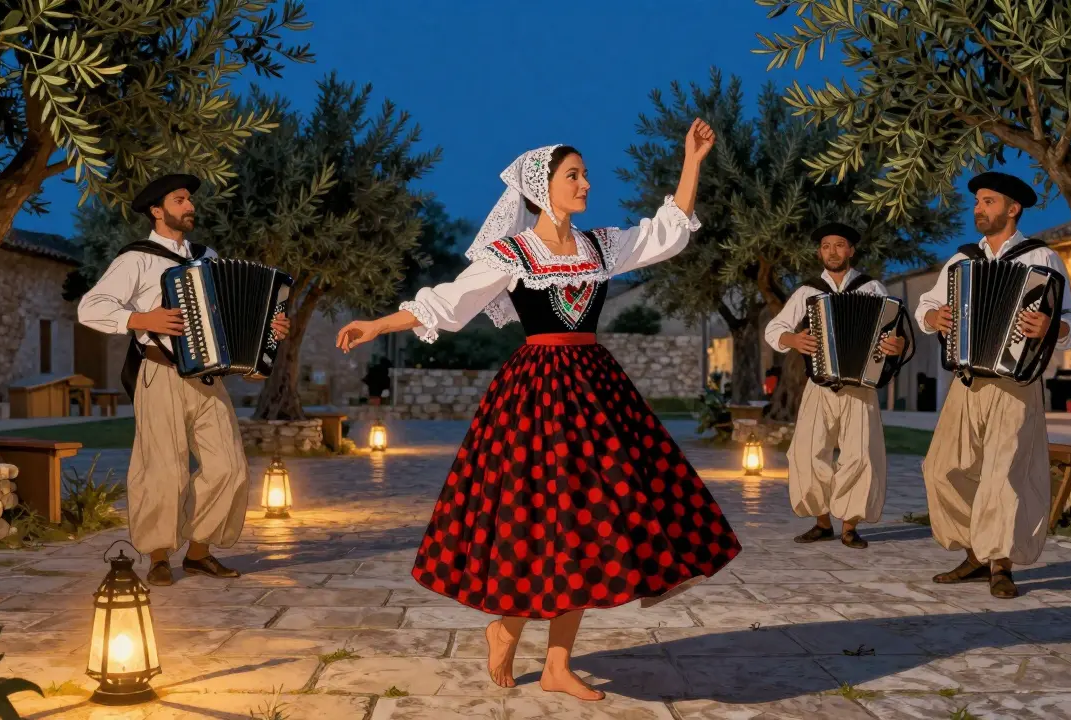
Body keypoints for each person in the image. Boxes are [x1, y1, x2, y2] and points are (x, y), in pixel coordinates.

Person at [335, 120, 741, 701]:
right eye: (574, 175)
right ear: (540, 189)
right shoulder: (513, 253)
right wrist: (378, 322)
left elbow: (666, 233)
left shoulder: (601, 245)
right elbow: (449, 304)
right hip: (534, 401)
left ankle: (557, 664)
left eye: (584, 174)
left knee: (588, 523)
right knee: (534, 521)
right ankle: (506, 625)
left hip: (596, 397)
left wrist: (692, 160)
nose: (586, 183)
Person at [78, 173, 290, 586]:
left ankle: (198, 553)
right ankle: (158, 556)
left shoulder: (206, 256)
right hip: (159, 371)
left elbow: (228, 318)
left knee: (229, 467)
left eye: (189, 199)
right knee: (162, 470)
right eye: (180, 200)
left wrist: (269, 328)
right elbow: (90, 308)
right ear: (157, 211)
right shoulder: (135, 260)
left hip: (209, 378)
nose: (189, 206)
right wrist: (141, 318)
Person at [915, 171, 1071, 599]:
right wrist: (934, 317)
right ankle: (976, 551)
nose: (978, 209)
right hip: (967, 378)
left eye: (988, 202)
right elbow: (927, 304)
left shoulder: (1041, 259)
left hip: (1017, 381)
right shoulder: (961, 261)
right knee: (940, 468)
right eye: (976, 202)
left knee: (1003, 474)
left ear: (1012, 209)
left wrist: (1053, 325)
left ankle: (1000, 563)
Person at [763, 223, 906, 549]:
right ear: (819, 252)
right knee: (808, 452)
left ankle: (849, 527)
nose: (832, 251)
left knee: (859, 455)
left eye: (839, 245)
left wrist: (894, 345)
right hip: (819, 383)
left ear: (851, 250)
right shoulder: (807, 291)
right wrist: (792, 338)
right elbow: (775, 329)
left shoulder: (872, 289)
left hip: (861, 385)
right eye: (826, 246)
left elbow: (893, 334)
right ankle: (823, 522)